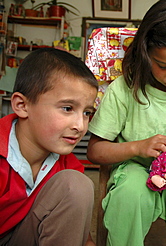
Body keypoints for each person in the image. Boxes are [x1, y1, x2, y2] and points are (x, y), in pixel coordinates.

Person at [86, 0, 166, 245]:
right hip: (132, 167)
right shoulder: (124, 89)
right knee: (130, 195)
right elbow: (94, 151)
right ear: (144, 52)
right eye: (163, 65)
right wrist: (137, 147)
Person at [0, 48, 98, 245]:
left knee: (77, 185)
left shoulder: (68, 168)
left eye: (87, 113)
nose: (80, 126)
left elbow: (81, 238)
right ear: (22, 105)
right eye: (67, 108)